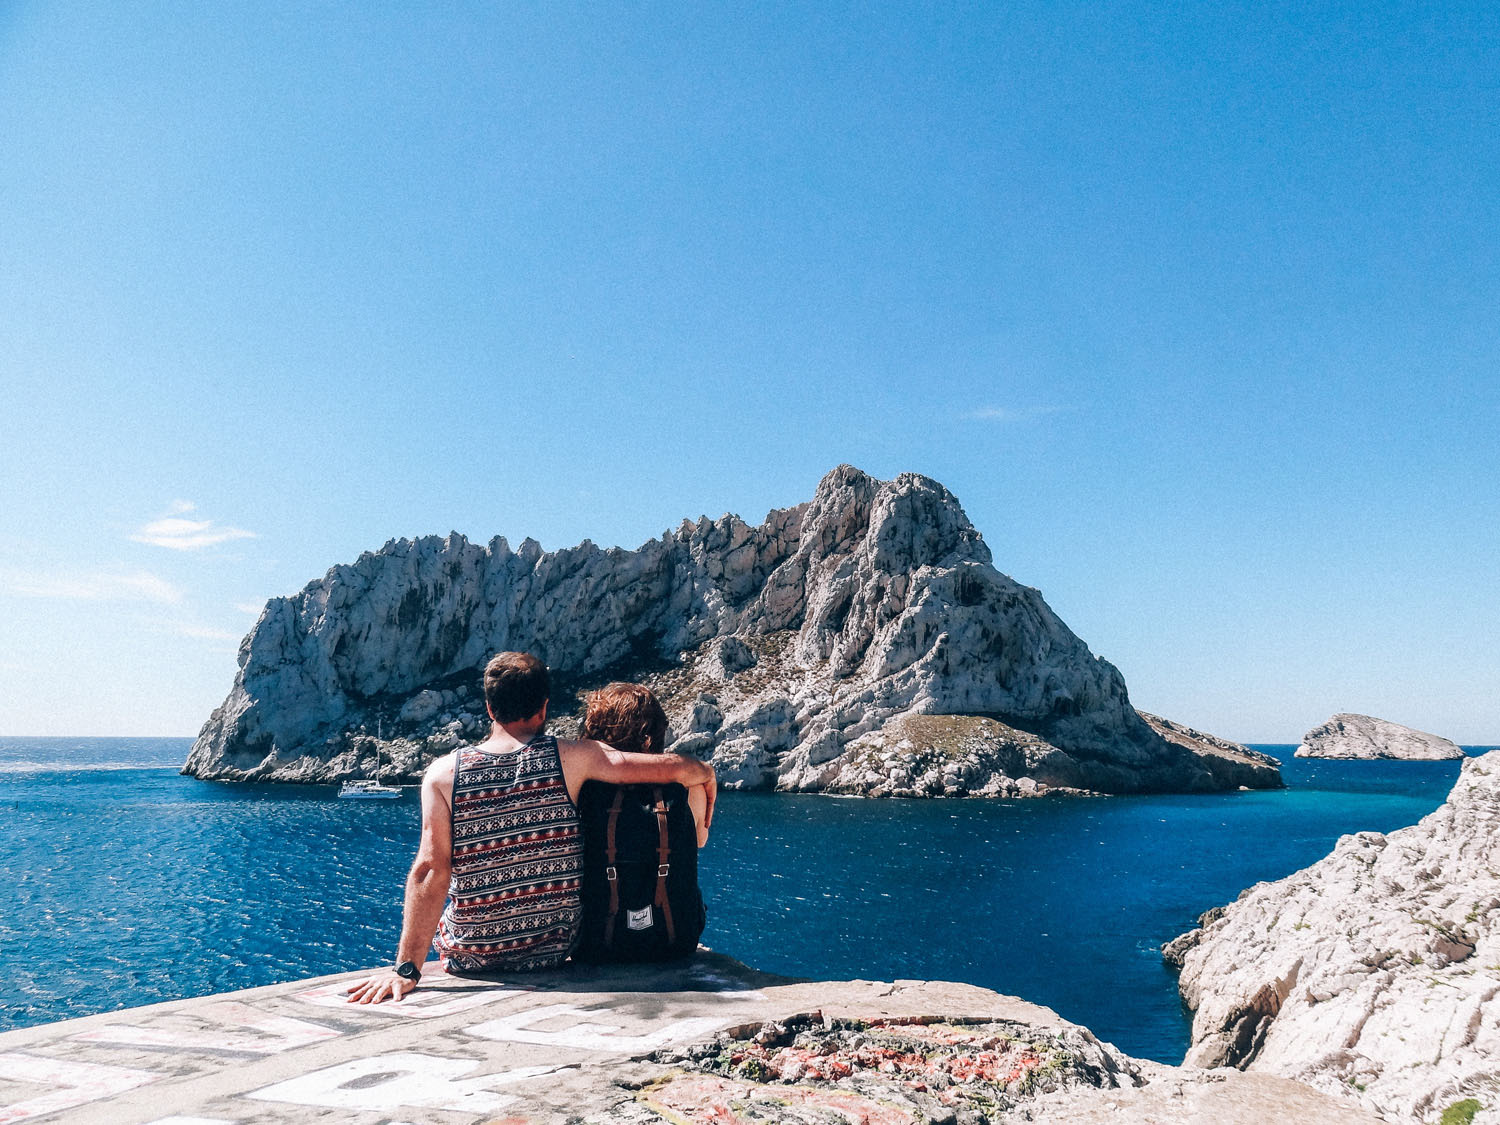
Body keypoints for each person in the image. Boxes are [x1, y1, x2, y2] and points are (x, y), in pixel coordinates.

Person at [345, 651, 715, 1003]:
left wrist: (407, 968)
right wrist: (701, 770)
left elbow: (430, 870)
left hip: (471, 956)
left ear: (489, 708)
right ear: (544, 708)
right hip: (552, 949)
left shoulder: (442, 775)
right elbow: (639, 765)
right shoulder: (571, 757)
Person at [573, 683, 709, 962]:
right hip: (676, 940)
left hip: (594, 942)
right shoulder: (687, 784)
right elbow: (700, 840)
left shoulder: (581, 789)